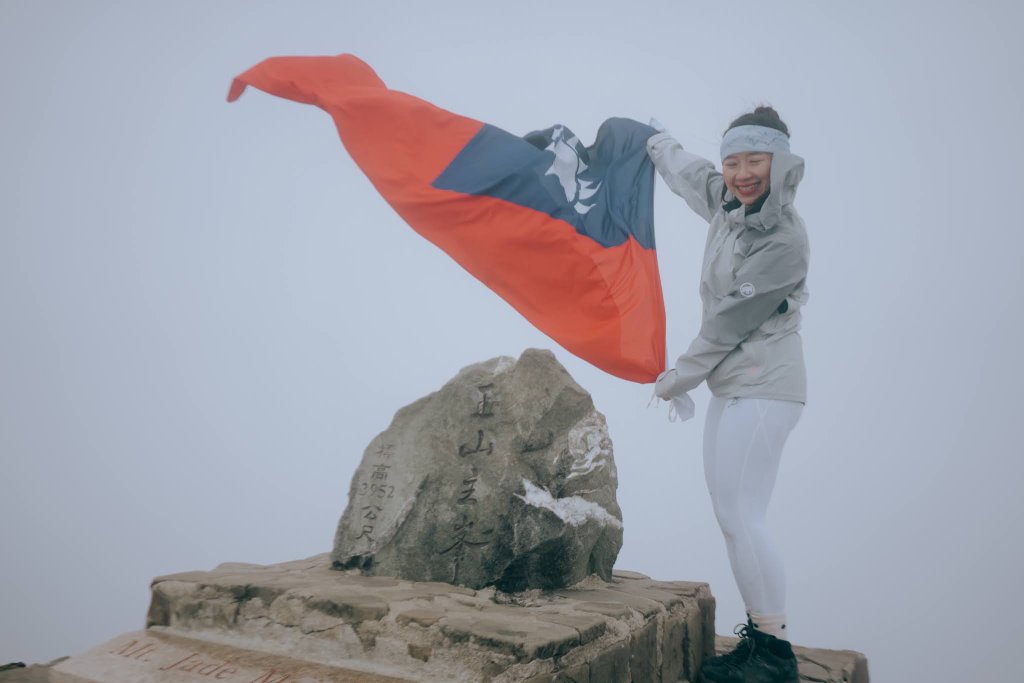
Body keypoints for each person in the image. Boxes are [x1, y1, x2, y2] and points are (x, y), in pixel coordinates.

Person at [647, 106, 809, 683]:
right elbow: (689, 173)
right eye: (733, 161)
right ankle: (762, 637)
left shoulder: (784, 240)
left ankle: (775, 657)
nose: (742, 173)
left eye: (755, 161)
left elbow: (730, 321)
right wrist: (653, 140)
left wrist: (678, 376)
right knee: (729, 514)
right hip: (733, 386)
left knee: (745, 516)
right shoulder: (727, 204)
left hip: (767, 387)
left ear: (780, 163)